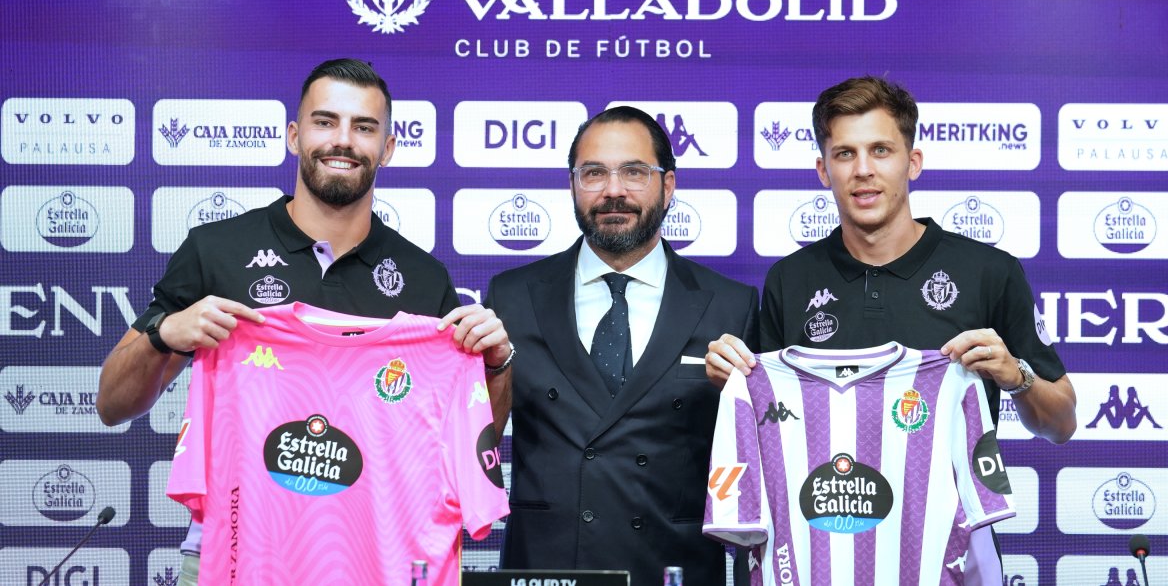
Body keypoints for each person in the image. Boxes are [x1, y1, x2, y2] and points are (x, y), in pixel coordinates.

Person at [96, 58, 512, 584]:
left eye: (364, 127)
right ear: (295, 136)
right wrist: (164, 334)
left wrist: (496, 370)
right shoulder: (216, 250)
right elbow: (112, 404)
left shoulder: (422, 277)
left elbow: (463, 446)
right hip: (236, 557)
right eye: (325, 122)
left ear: (387, 148)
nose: (343, 140)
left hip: (370, 561)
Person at [704, 76, 1076, 580]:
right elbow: (772, 422)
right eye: (845, 154)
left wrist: (1017, 377)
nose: (863, 171)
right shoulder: (790, 279)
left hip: (943, 558)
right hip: (818, 562)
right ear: (822, 169)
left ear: (912, 162)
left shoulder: (989, 271)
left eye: (881, 150)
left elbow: (1061, 424)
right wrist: (735, 381)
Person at [485, 106, 759, 586]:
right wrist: (494, 372)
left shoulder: (730, 307)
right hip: (545, 570)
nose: (614, 190)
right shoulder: (511, 297)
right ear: (573, 185)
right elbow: (476, 437)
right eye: (594, 173)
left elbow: (760, 457)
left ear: (668, 186)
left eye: (634, 172)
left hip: (676, 571)